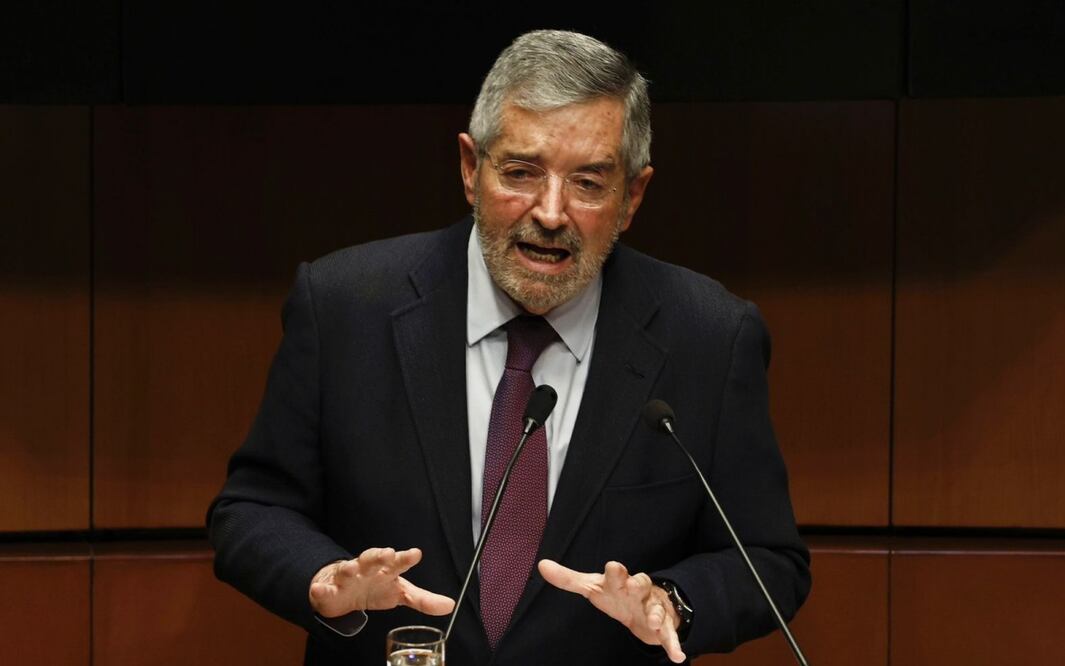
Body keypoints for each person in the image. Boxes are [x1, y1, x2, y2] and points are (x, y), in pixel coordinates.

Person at [208, 29, 810, 666]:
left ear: (632, 197)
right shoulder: (344, 306)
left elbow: (769, 560)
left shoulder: (710, 336)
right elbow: (252, 510)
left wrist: (672, 600)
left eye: (588, 184)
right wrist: (321, 579)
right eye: (521, 173)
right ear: (471, 168)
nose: (550, 213)